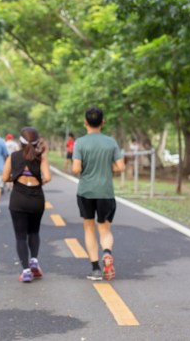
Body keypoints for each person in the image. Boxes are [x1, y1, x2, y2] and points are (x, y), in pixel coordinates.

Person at [72, 107, 124, 281]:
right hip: (106, 192)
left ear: (85, 122)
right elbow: (120, 167)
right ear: (103, 122)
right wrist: (107, 168)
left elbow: (76, 169)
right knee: (104, 228)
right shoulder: (111, 142)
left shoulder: (80, 143)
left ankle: (95, 269)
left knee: (89, 227)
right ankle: (107, 252)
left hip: (86, 191)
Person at [3, 127, 51, 283]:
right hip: (37, 199)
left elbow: (5, 177)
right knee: (34, 232)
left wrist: (17, 178)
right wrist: (37, 182)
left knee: (20, 236)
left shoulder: (13, 156)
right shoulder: (40, 157)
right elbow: (48, 177)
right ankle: (34, 261)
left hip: (18, 199)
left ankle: (26, 271)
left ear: (20, 141)